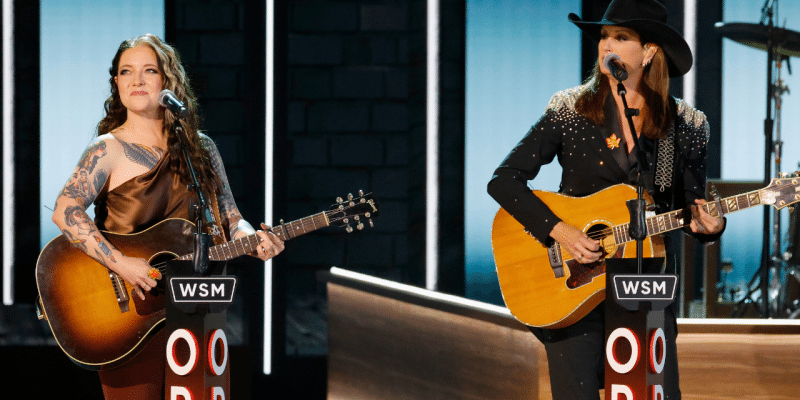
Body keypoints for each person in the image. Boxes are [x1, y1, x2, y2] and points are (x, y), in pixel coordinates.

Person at [487, 1, 725, 399]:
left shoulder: (686, 125)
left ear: (649, 52)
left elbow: (690, 207)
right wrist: (560, 231)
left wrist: (711, 227)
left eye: (621, 37)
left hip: (647, 287)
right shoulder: (570, 111)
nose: (605, 45)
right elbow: (504, 182)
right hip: (576, 285)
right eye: (603, 36)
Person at [51, 33, 284, 399]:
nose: (137, 81)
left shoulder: (202, 149)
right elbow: (65, 211)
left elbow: (231, 218)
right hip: (130, 313)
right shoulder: (106, 150)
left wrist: (254, 239)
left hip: (196, 304)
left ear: (168, 82)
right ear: (116, 83)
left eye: (149, 71)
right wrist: (122, 264)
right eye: (126, 72)